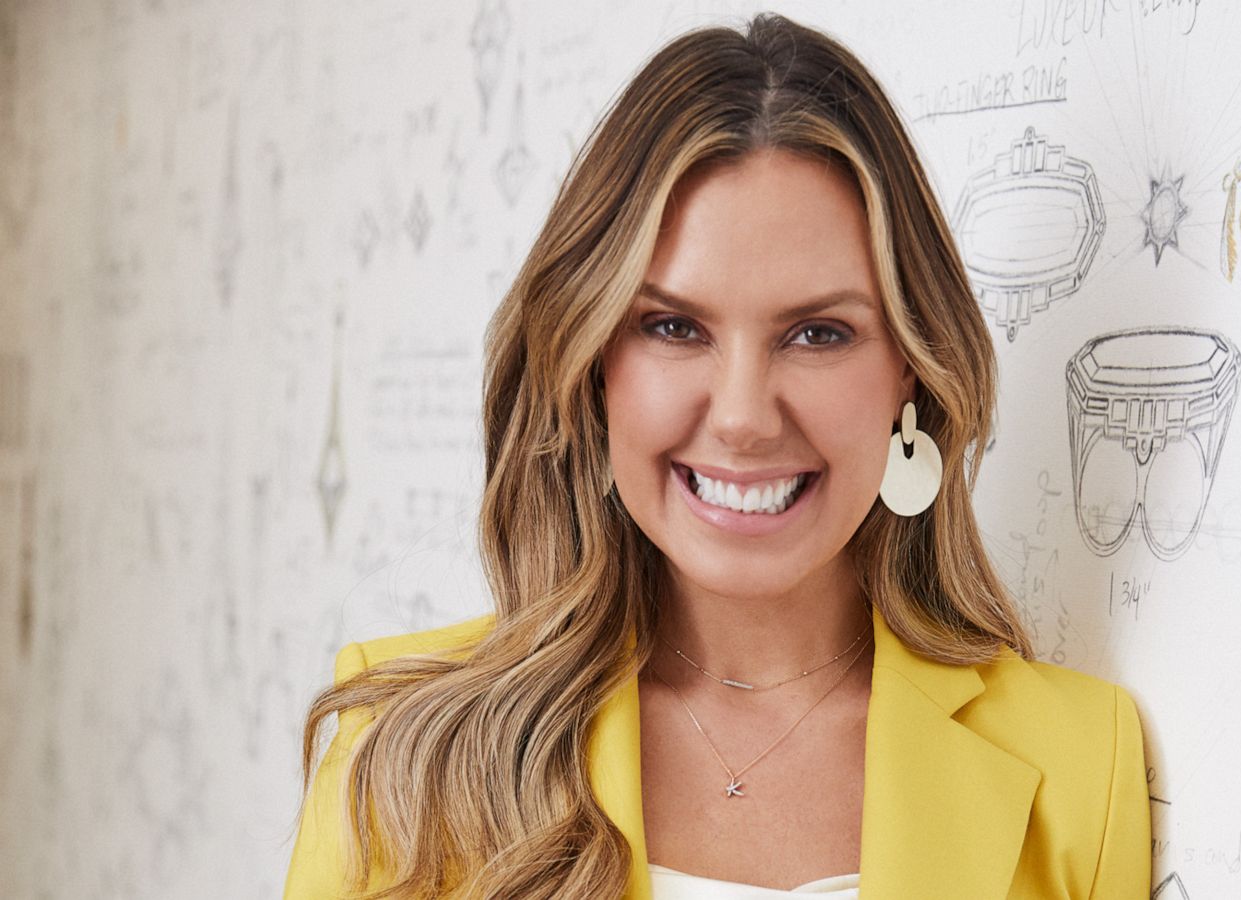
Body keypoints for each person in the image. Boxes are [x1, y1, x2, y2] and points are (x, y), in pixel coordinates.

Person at [284, 13, 1150, 900]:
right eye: (672, 326)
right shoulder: (399, 751)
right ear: (593, 368)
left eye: (818, 332)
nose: (741, 418)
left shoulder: (1080, 764)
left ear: (912, 373)